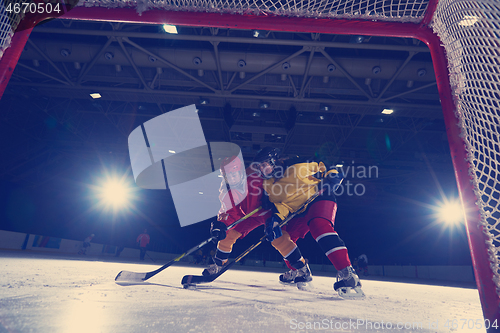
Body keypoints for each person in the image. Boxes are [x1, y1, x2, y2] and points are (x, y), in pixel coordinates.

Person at [252, 147, 363, 296]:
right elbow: (282, 205)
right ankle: (299, 270)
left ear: (273, 161)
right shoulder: (269, 185)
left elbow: (325, 166)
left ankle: (347, 273)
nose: (262, 169)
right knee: (278, 238)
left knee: (318, 225)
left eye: (264, 164)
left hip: (318, 197)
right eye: (259, 167)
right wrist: (276, 219)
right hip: (298, 211)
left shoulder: (297, 161)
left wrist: (333, 174)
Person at [202, 155, 300, 279]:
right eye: (227, 176)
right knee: (228, 234)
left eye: (233, 174)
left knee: (276, 236)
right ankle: (219, 264)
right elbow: (229, 210)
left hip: (267, 211)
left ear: (241, 171)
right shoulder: (226, 188)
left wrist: (271, 196)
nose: (231, 179)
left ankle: (301, 268)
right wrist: (221, 224)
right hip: (250, 215)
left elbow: (278, 176)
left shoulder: (255, 174)